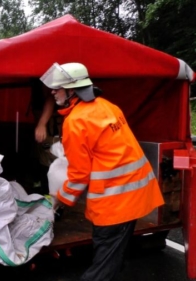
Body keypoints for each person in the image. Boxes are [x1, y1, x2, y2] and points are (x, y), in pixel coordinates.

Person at [40, 62, 164, 281]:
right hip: (134, 195)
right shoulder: (108, 107)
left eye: (57, 87)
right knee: (116, 257)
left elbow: (79, 176)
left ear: (72, 90)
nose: (52, 91)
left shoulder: (76, 122)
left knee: (102, 268)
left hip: (114, 205)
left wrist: (59, 201)